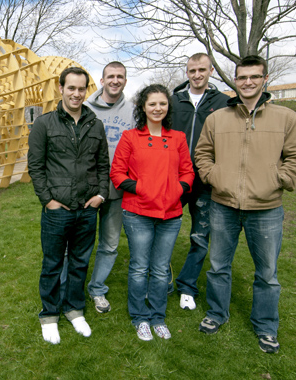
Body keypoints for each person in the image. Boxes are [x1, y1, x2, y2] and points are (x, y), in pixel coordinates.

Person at [194, 55, 296, 353]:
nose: (248, 82)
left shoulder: (286, 118)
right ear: (235, 80)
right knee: (219, 266)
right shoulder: (218, 118)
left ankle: (266, 326)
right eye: (242, 77)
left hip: (267, 208)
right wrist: (213, 176)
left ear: (264, 79)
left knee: (267, 273)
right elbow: (202, 154)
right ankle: (217, 313)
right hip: (223, 204)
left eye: (254, 77)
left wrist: (277, 179)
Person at [27, 67, 110, 344]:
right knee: (52, 264)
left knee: (79, 262)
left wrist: (100, 195)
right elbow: (36, 166)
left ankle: (74, 309)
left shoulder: (95, 124)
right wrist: (48, 200)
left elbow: (102, 165)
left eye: (81, 88)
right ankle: (49, 314)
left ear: (87, 90)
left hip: (87, 210)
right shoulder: (44, 124)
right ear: (60, 88)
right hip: (57, 211)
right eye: (71, 88)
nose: (76, 93)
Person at [110, 84, 194, 341]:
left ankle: (158, 316)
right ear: (143, 107)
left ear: (168, 107)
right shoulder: (130, 137)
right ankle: (139, 317)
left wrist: (176, 190)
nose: (158, 108)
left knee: (159, 269)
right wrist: (142, 189)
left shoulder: (177, 138)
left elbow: (188, 171)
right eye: (152, 104)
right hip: (138, 213)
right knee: (139, 267)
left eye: (162, 104)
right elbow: (117, 173)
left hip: (170, 214)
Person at [170, 53, 229, 310]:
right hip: (174, 178)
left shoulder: (224, 103)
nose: (197, 75)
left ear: (211, 71)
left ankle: (187, 286)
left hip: (205, 181)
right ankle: (162, 277)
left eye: (202, 70)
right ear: (187, 72)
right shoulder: (173, 101)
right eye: (192, 70)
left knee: (200, 236)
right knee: (163, 232)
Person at [83, 61, 135, 313]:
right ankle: (70, 287)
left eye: (120, 76)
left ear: (125, 80)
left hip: (119, 190)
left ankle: (97, 289)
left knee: (110, 243)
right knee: (79, 242)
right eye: (110, 76)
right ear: (102, 80)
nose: (115, 80)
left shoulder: (135, 112)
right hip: (87, 188)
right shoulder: (84, 109)